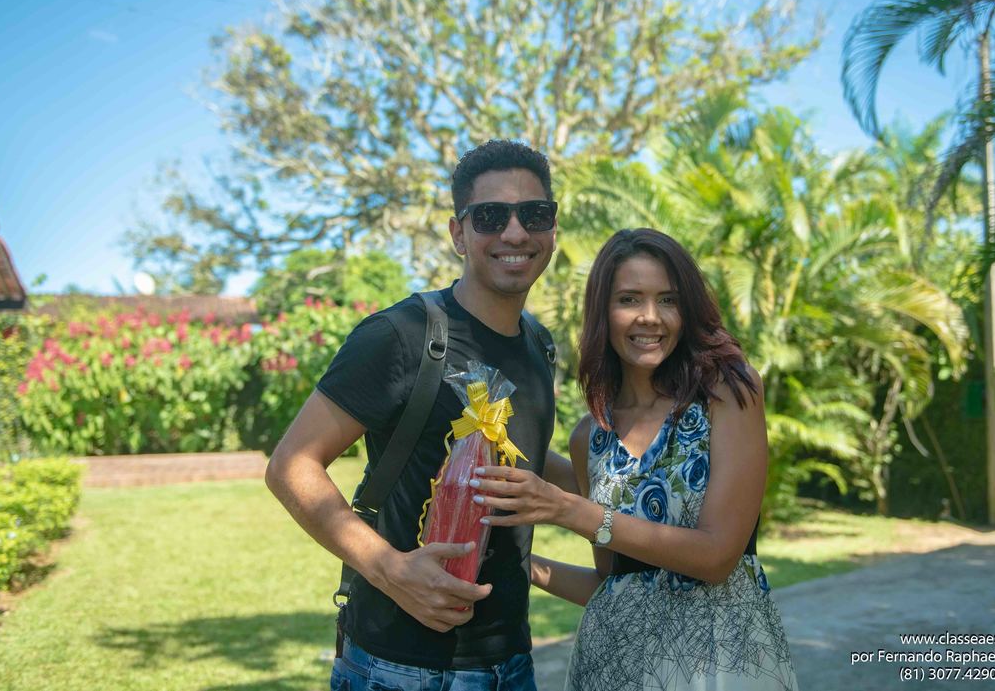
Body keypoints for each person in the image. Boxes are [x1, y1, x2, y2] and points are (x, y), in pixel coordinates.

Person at [265, 139, 577, 691]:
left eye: (534, 213)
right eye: (489, 216)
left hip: (512, 662)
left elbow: (522, 450)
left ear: (552, 227)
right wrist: (388, 568)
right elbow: (292, 464)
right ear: (458, 233)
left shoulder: (539, 346)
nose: (514, 233)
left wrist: (613, 491)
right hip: (397, 667)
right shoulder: (401, 335)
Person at [470, 228, 800, 690]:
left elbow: (717, 556)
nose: (651, 317)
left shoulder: (727, 391)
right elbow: (614, 582)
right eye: (629, 299)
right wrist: (523, 567)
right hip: (613, 668)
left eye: (668, 300)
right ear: (603, 312)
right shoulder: (591, 436)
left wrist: (570, 510)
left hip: (721, 667)